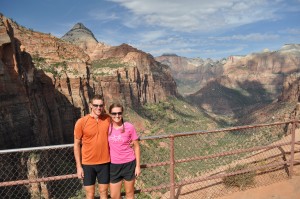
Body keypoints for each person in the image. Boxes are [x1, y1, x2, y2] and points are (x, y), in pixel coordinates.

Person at [74, 94, 110, 199]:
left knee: (104, 193)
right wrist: (79, 166)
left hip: (105, 162)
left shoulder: (108, 119)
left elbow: (120, 131)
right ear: (90, 105)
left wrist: (131, 141)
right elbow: (76, 144)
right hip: (88, 164)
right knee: (90, 194)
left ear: (104, 106)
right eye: (96, 105)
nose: (98, 108)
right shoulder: (81, 122)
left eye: (101, 105)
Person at [108, 103, 141, 199]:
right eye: (114, 113)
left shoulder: (129, 127)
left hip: (129, 163)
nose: (117, 115)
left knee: (130, 193)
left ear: (122, 113)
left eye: (119, 113)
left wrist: (138, 166)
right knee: (114, 196)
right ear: (110, 114)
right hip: (113, 165)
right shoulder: (107, 127)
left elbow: (136, 146)